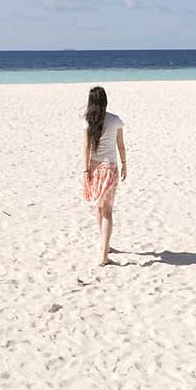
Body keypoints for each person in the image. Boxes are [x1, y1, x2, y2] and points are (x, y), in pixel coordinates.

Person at [82, 85, 126, 266]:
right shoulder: (115, 120)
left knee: (99, 208)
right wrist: (125, 164)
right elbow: (121, 146)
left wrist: (86, 170)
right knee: (107, 210)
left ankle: (104, 246)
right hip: (109, 167)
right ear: (105, 101)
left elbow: (86, 147)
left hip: (93, 167)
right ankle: (104, 255)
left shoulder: (87, 120)